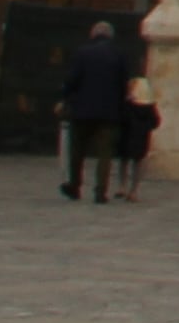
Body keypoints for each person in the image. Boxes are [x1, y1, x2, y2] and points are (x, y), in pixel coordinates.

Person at [56, 16, 132, 201]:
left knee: (77, 151)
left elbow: (72, 80)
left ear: (93, 34)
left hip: (82, 110)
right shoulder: (119, 55)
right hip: (109, 112)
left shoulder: (82, 53)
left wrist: (64, 99)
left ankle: (75, 186)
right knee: (105, 154)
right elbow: (125, 85)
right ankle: (100, 191)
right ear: (111, 36)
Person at [111, 48, 159, 202]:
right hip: (138, 131)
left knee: (126, 159)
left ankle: (124, 187)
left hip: (130, 128)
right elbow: (155, 120)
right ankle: (131, 190)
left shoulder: (131, 89)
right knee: (134, 160)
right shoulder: (146, 93)